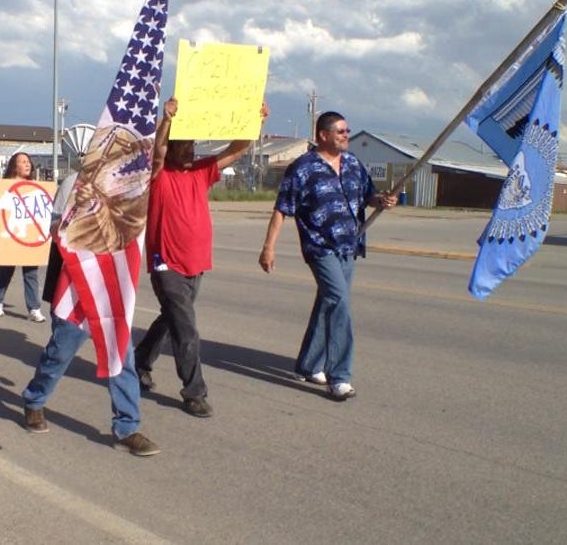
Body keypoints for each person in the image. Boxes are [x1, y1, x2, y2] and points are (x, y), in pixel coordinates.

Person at [133, 96, 269, 418]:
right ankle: (194, 392)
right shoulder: (157, 175)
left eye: (193, 145)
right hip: (165, 263)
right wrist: (166, 120)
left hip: (196, 263)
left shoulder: (200, 172)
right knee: (186, 327)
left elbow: (234, 151)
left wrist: (255, 123)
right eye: (185, 145)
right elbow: (158, 152)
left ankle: (139, 361)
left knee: (172, 319)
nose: (190, 150)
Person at [258, 111, 397, 401]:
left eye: (347, 131)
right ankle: (340, 376)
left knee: (328, 304)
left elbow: (369, 195)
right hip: (320, 247)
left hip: (350, 245)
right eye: (341, 131)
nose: (347, 135)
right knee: (339, 302)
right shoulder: (303, 168)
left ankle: (308, 365)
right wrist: (268, 247)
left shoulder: (353, 164)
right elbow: (283, 208)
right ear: (323, 135)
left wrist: (382, 200)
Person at [19, 168, 160, 456]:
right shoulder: (75, 182)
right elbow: (55, 230)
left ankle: (127, 427)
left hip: (111, 287)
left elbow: (154, 174)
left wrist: (167, 126)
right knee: (59, 353)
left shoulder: (131, 185)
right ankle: (34, 401)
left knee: (120, 355)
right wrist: (79, 208)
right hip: (78, 285)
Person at [0, 152, 46, 323]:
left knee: (31, 273)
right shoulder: (4, 187)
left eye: (28, 162)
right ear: (14, 166)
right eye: (23, 162)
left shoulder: (35, 187)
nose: (27, 164)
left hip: (30, 237)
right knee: (6, 272)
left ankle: (34, 308)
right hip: (10, 236)